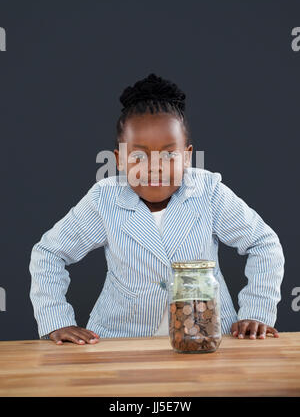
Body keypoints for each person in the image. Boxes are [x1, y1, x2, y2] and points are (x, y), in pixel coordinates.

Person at [29, 73, 284, 345]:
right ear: (120, 159)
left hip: (205, 338)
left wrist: (257, 312)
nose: (154, 166)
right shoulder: (104, 199)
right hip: (121, 344)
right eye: (138, 155)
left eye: (169, 154)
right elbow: (49, 253)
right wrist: (57, 320)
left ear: (187, 156)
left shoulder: (208, 192)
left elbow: (263, 243)